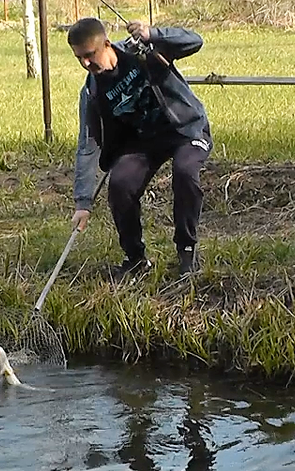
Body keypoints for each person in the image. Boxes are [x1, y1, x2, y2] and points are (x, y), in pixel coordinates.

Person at [67, 16, 213, 279]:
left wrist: (153, 34)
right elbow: (87, 144)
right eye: (79, 58)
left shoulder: (141, 52)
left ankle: (186, 252)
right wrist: (83, 202)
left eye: (90, 55)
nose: (86, 64)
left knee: (185, 173)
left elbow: (194, 41)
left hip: (184, 128)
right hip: (143, 141)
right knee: (120, 185)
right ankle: (135, 260)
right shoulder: (91, 92)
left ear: (107, 44)